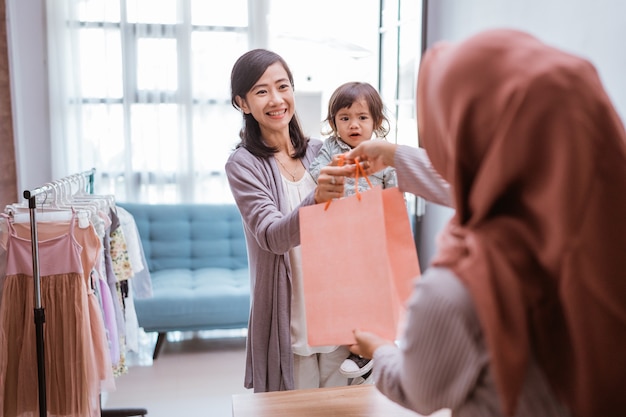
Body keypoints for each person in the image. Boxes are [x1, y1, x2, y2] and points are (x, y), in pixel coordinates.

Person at [345, 29, 626, 416]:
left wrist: (380, 350)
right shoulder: (606, 240)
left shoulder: (457, 290)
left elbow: (418, 392)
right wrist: (394, 155)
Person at [225, 48, 359, 393]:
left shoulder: (322, 152)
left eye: (283, 87)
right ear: (242, 103)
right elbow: (271, 236)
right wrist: (318, 198)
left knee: (346, 410)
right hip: (292, 319)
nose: (276, 99)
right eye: (261, 91)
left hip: (338, 313)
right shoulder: (243, 165)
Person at [308, 81, 397, 384]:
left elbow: (395, 194)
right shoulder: (330, 148)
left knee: (373, 291)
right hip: (339, 235)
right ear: (333, 123)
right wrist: (336, 167)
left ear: (377, 123)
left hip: (370, 235)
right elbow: (315, 172)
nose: (353, 125)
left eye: (362, 117)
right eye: (344, 118)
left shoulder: (383, 155)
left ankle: (368, 351)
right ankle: (355, 345)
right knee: (345, 292)